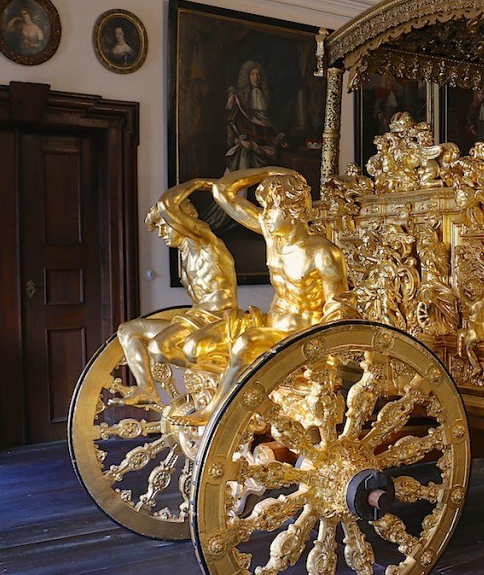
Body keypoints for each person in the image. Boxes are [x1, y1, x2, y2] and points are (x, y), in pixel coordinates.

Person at [174, 166, 356, 425]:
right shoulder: (273, 235)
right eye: (265, 207)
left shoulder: (323, 253)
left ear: (293, 210)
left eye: (272, 207)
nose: (266, 215)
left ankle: (215, 411)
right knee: (194, 346)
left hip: (299, 335)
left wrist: (324, 357)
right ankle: (246, 390)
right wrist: (273, 170)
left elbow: (339, 307)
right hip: (269, 322)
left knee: (246, 344)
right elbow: (222, 191)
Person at [115, 179, 242, 404]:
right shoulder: (184, 254)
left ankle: (231, 372)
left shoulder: (203, 242)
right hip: (195, 319)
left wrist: (198, 183)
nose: (162, 233)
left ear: (183, 221)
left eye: (166, 225)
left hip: (218, 320)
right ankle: (146, 388)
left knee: (158, 346)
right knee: (128, 331)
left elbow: (167, 205)